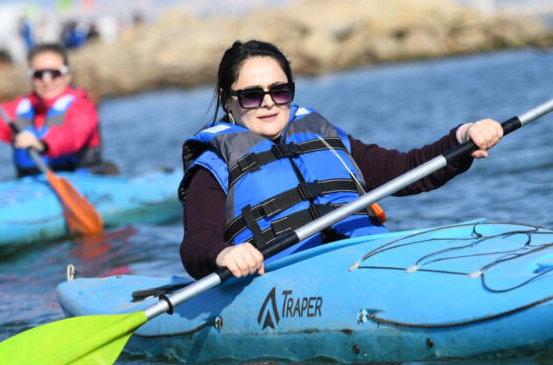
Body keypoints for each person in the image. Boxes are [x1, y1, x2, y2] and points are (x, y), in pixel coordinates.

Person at [179, 39, 503, 279]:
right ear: (227, 99)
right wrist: (224, 254)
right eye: (252, 95)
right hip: (289, 283)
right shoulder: (213, 168)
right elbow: (196, 245)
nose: (268, 103)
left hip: (366, 259)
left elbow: (408, 170)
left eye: (279, 91)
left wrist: (462, 138)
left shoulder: (325, 139)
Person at [0, 43, 117, 177]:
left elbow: (73, 135)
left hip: (82, 183)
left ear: (67, 75)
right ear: (31, 77)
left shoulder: (82, 107)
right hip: (30, 188)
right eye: (39, 74)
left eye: (55, 73)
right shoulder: (18, 110)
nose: (47, 81)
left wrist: (42, 145)